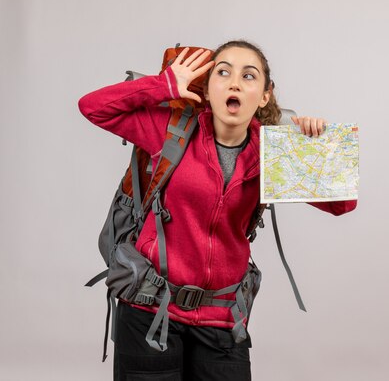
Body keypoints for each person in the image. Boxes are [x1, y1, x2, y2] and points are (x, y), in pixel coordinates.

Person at [78, 40, 357, 381]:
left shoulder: (273, 152)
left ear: (265, 96)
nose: (235, 82)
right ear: (208, 90)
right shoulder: (171, 130)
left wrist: (317, 146)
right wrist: (164, 85)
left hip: (222, 321)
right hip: (150, 311)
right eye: (222, 72)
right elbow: (92, 107)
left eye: (248, 76)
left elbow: (343, 204)